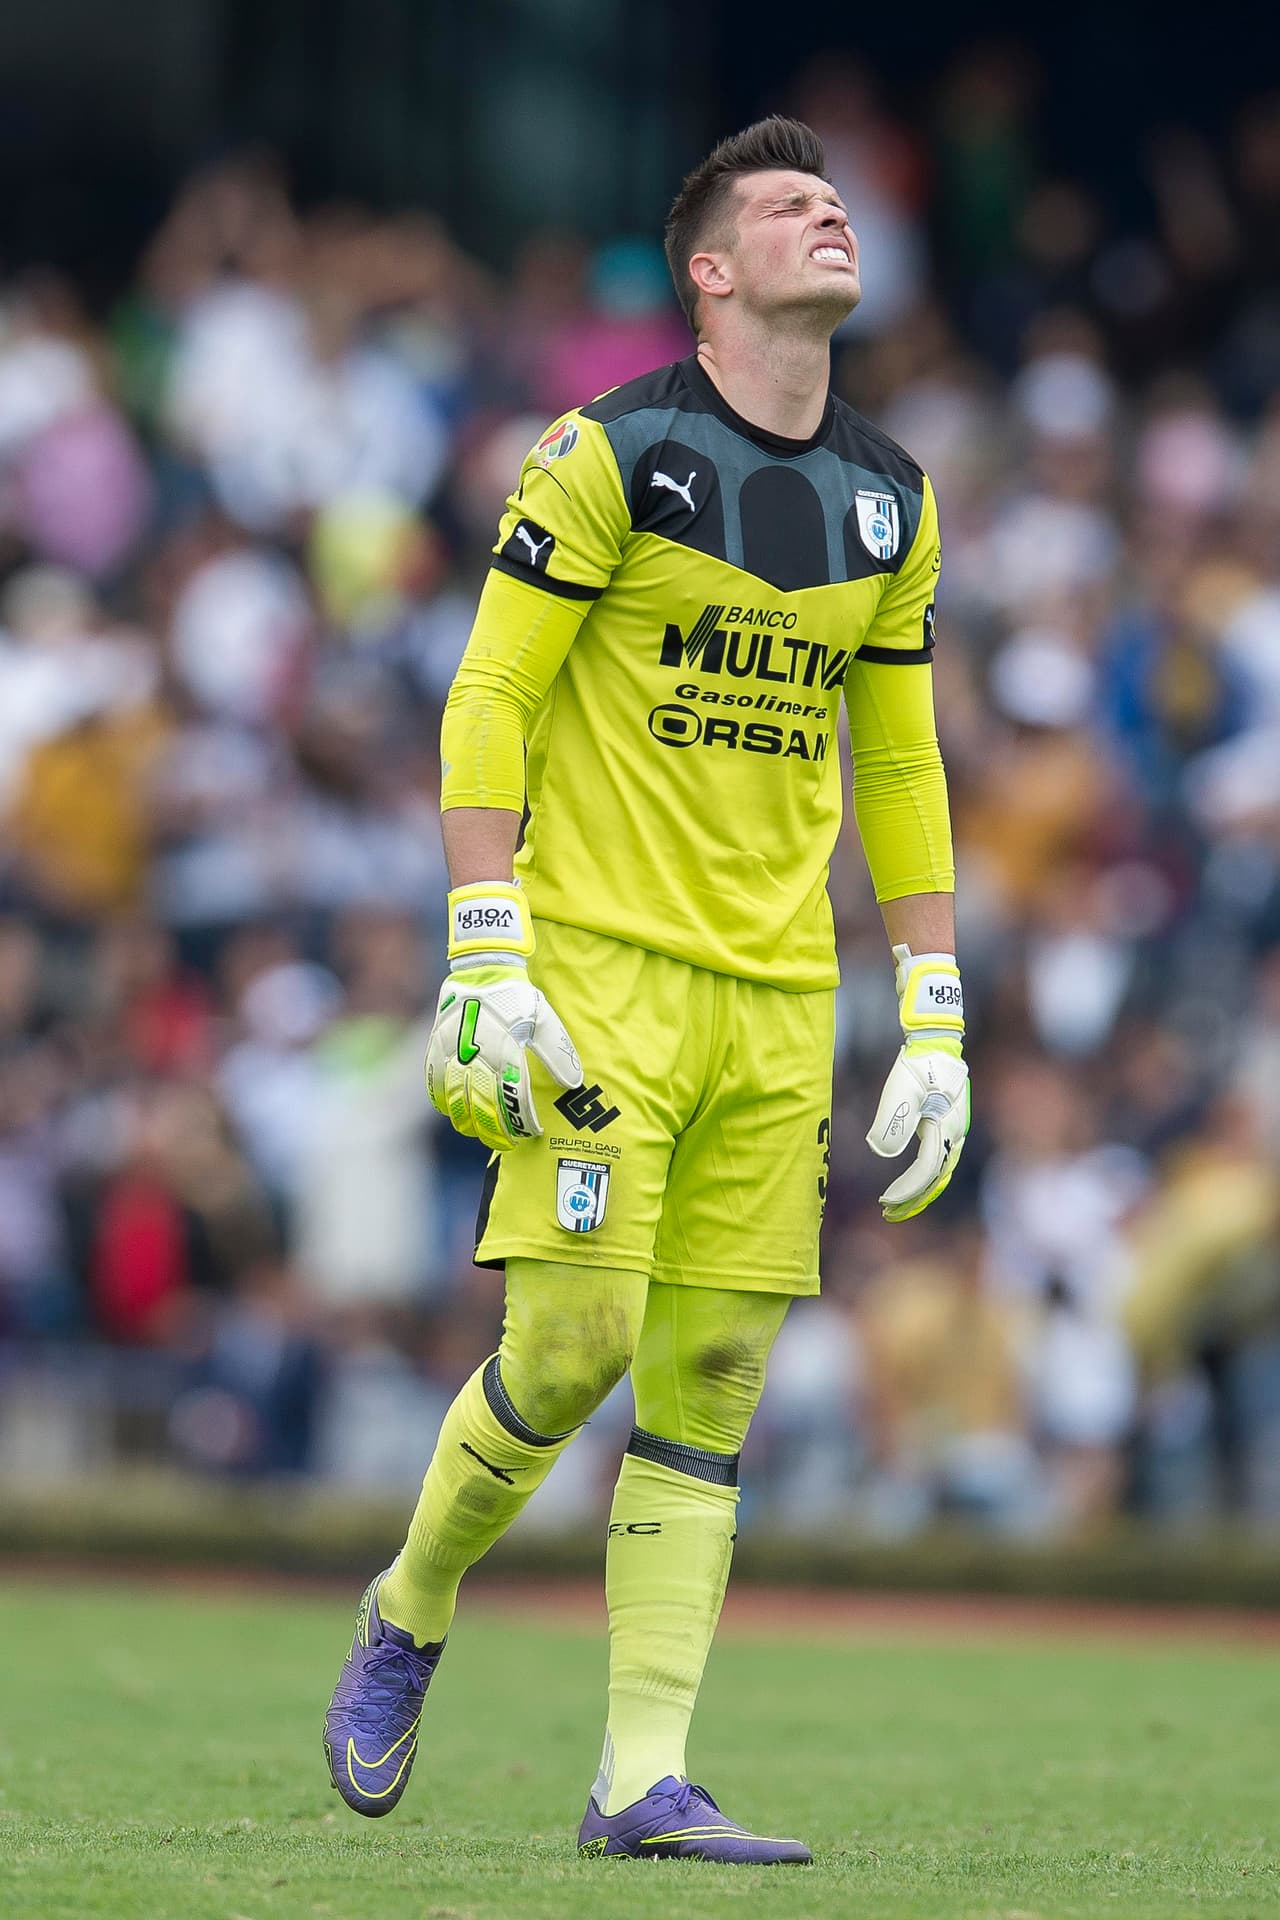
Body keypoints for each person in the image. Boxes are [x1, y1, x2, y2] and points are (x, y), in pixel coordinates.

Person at [324, 115, 969, 1864]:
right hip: (597, 965)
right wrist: (483, 941)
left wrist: (932, 1001)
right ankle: (410, 1602)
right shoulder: (610, 451)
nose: (830, 212)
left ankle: (640, 1780)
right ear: (710, 269)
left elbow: (900, 765)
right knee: (573, 1345)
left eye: (837, 199)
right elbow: (490, 693)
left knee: (714, 1371)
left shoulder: (894, 497)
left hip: (778, 998)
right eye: (788, 203)